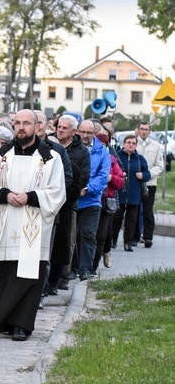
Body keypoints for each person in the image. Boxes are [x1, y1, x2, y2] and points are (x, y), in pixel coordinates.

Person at [0, 110, 66, 342]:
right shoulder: (1, 155)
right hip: (8, 222)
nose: (20, 127)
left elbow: (58, 192)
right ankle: (6, 321)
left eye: (26, 123)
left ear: (37, 127)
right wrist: (6, 195)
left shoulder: (50, 157)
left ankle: (22, 325)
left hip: (34, 224)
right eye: (17, 123)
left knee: (29, 275)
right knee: (7, 274)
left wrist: (30, 197)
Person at [48, 115, 89, 291]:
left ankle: (60, 278)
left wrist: (66, 196)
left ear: (74, 131)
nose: (60, 130)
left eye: (65, 128)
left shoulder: (81, 151)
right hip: (48, 203)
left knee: (66, 242)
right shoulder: (49, 145)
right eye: (59, 127)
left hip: (67, 203)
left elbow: (83, 177)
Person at [75, 120, 111, 280]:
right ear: (77, 131)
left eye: (89, 133)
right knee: (72, 236)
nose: (85, 135)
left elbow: (103, 177)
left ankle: (85, 270)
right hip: (72, 199)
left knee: (88, 235)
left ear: (94, 133)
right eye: (82, 132)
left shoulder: (102, 152)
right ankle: (71, 268)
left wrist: (88, 188)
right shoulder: (73, 148)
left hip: (91, 200)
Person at [113, 135, 150, 252]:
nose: (131, 145)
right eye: (128, 142)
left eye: (133, 143)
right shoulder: (117, 156)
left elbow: (147, 174)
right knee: (117, 218)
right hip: (120, 194)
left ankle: (127, 242)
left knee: (131, 220)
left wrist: (143, 175)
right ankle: (113, 239)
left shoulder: (139, 159)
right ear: (124, 144)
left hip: (134, 195)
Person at [93, 132, 124, 272]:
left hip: (106, 202)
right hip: (91, 200)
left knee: (101, 235)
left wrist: (111, 178)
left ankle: (93, 266)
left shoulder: (112, 160)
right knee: (87, 235)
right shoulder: (88, 156)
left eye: (103, 144)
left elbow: (120, 181)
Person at [135, 122, 164, 248]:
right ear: (137, 130)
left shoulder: (156, 146)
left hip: (150, 183)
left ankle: (148, 237)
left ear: (150, 131)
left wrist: (147, 175)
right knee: (134, 209)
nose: (144, 132)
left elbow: (160, 165)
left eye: (146, 129)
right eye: (142, 129)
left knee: (148, 210)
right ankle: (133, 236)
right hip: (134, 182)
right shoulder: (132, 143)